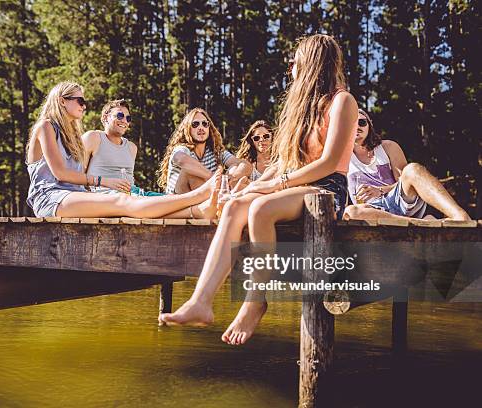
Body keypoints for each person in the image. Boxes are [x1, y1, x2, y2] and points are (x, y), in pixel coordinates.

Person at [159, 34, 358, 346]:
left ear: (312, 64)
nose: (291, 67)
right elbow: (281, 163)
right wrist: (251, 188)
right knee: (237, 207)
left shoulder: (342, 101)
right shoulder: (300, 109)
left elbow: (329, 162)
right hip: (296, 186)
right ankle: (201, 301)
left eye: (296, 61)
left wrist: (273, 187)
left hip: (328, 189)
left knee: (260, 209)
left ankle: (255, 300)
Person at [25, 81, 219, 219]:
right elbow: (60, 173)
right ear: (62, 101)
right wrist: (103, 181)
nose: (84, 106)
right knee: (120, 202)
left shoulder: (73, 136)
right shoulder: (45, 127)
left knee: (125, 204)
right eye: (80, 101)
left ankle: (197, 212)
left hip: (73, 196)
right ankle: (196, 196)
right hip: (50, 197)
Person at [343, 109, 470, 221]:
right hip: (371, 210)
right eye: (352, 123)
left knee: (412, 169)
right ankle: (423, 223)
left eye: (362, 122)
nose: (357, 126)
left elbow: (405, 182)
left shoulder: (388, 147)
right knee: (351, 212)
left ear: (369, 126)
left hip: (398, 201)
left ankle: (460, 216)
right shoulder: (342, 157)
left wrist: (380, 190)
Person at [157, 108, 252, 194]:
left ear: (209, 128)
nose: (201, 127)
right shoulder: (183, 148)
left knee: (236, 169)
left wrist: (231, 177)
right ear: (187, 129)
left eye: (205, 124)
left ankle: (227, 199)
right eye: (195, 124)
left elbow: (245, 165)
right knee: (189, 172)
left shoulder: (216, 152)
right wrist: (213, 178)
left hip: (205, 197)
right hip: (177, 201)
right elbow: (180, 159)